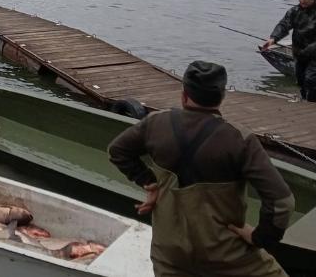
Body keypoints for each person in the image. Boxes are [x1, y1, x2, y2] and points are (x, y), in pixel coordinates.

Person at [108, 61, 295, 277]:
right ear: (222, 97)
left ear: (184, 94)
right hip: (227, 254)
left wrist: (149, 183)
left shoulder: (155, 123)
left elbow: (117, 151)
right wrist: (260, 238)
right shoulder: (239, 139)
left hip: (170, 254)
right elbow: (282, 202)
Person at [262, 0, 316, 102]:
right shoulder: (295, 11)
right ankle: (304, 99)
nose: (302, 1)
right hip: (300, 51)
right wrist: (273, 39)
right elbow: (284, 24)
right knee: (300, 78)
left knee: (311, 78)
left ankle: (311, 103)